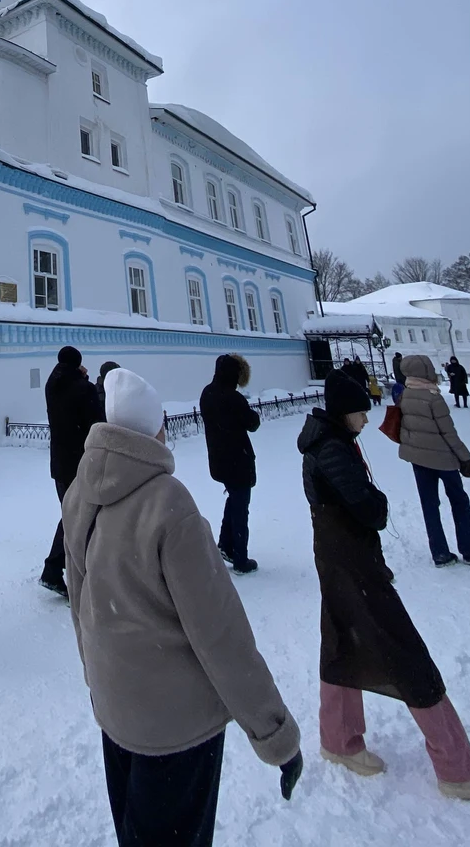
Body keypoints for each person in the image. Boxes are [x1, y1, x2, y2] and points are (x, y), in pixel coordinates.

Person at [64, 368, 303, 847]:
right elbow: (219, 633)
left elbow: (81, 603)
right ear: (153, 430)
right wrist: (274, 734)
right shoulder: (167, 504)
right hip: (176, 728)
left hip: (117, 713)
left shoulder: (80, 493)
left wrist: (99, 683)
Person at [298, 369, 470, 802]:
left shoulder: (325, 442)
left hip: (339, 563)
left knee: (340, 642)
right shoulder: (333, 449)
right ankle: (456, 767)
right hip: (354, 568)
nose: (366, 419)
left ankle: (338, 737)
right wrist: (380, 504)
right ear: (344, 411)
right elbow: (369, 508)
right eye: (361, 411)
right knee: (405, 653)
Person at [397, 355, 470, 567]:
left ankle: (439, 552)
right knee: (459, 501)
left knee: (429, 505)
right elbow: (448, 432)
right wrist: (465, 457)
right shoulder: (433, 397)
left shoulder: (405, 394)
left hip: (418, 459)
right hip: (443, 458)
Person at [40, 345, 104, 599]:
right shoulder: (83, 388)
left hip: (60, 463)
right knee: (82, 517)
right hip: (81, 461)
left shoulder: (52, 384)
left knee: (73, 514)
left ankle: (55, 569)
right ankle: (70, 572)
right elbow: (96, 425)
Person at [199, 353, 261, 574]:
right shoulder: (233, 398)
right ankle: (240, 558)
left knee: (234, 499)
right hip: (238, 459)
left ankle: (225, 545)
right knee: (240, 507)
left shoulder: (207, 393)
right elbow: (252, 423)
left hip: (219, 459)